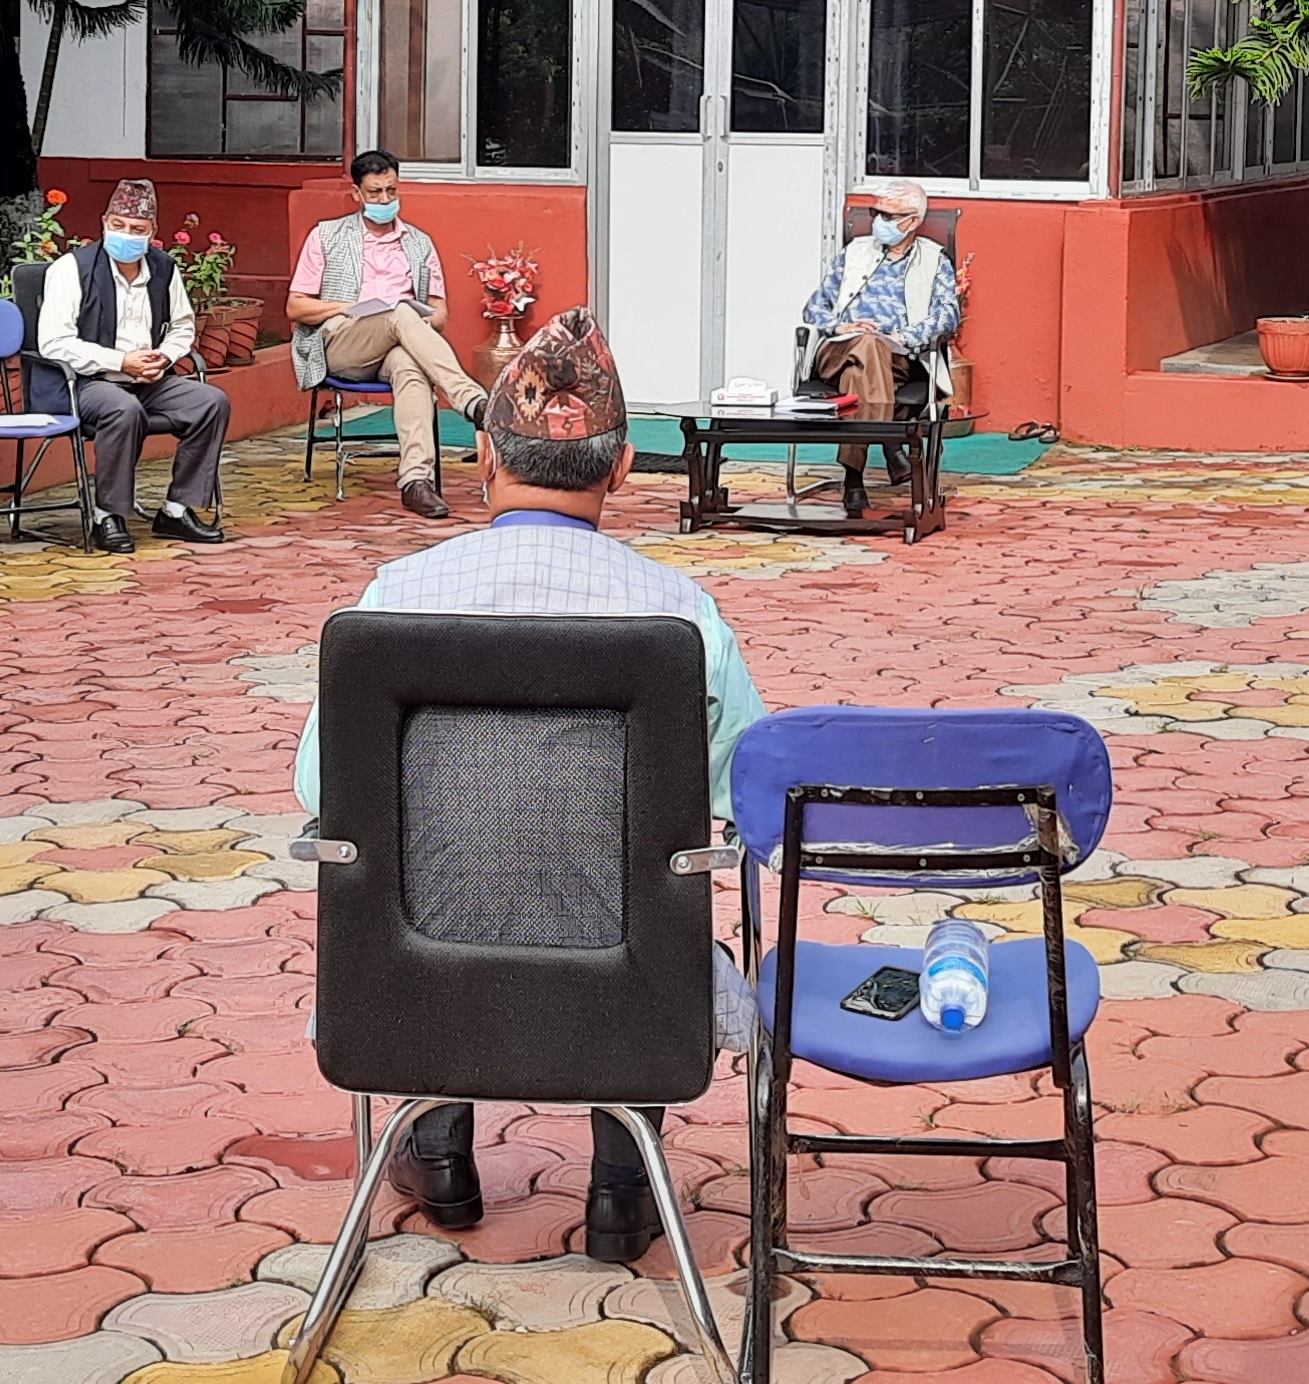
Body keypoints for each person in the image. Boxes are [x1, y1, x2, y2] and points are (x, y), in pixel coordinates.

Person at [294, 308, 768, 1265]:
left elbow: (321, 788)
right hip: (629, 987)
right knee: (640, 879)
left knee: (440, 867)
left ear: (483, 456)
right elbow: (747, 800)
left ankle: (438, 1155)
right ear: (622, 467)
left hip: (413, 981)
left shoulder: (392, 599)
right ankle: (622, 1186)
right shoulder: (682, 614)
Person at [288, 150, 486, 520]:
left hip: (396, 346)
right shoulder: (327, 235)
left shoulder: (418, 243)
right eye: (375, 193)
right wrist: (347, 307)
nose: (384, 200)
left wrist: (412, 322)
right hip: (341, 343)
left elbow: (440, 314)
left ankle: (416, 482)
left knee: (410, 366)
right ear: (356, 194)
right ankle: (472, 401)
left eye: (391, 191)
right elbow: (296, 307)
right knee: (399, 312)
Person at [39, 178, 230, 553]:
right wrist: (121, 361)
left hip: (150, 379)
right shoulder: (71, 269)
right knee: (123, 409)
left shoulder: (164, 268)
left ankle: (176, 510)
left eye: (137, 229)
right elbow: (53, 342)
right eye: (119, 225)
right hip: (88, 382)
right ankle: (107, 515)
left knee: (211, 402)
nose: (126, 235)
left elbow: (183, 326)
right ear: (104, 222)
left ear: (152, 232)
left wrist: (165, 356)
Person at [796, 177, 966, 484]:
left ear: (913, 221)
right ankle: (891, 444)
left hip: (895, 358)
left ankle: (853, 481)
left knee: (859, 373)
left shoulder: (934, 260)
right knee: (866, 343)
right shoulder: (854, 252)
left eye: (887, 216)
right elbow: (814, 308)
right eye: (876, 213)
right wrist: (841, 326)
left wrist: (905, 337)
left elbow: (948, 314)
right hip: (838, 351)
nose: (878, 221)